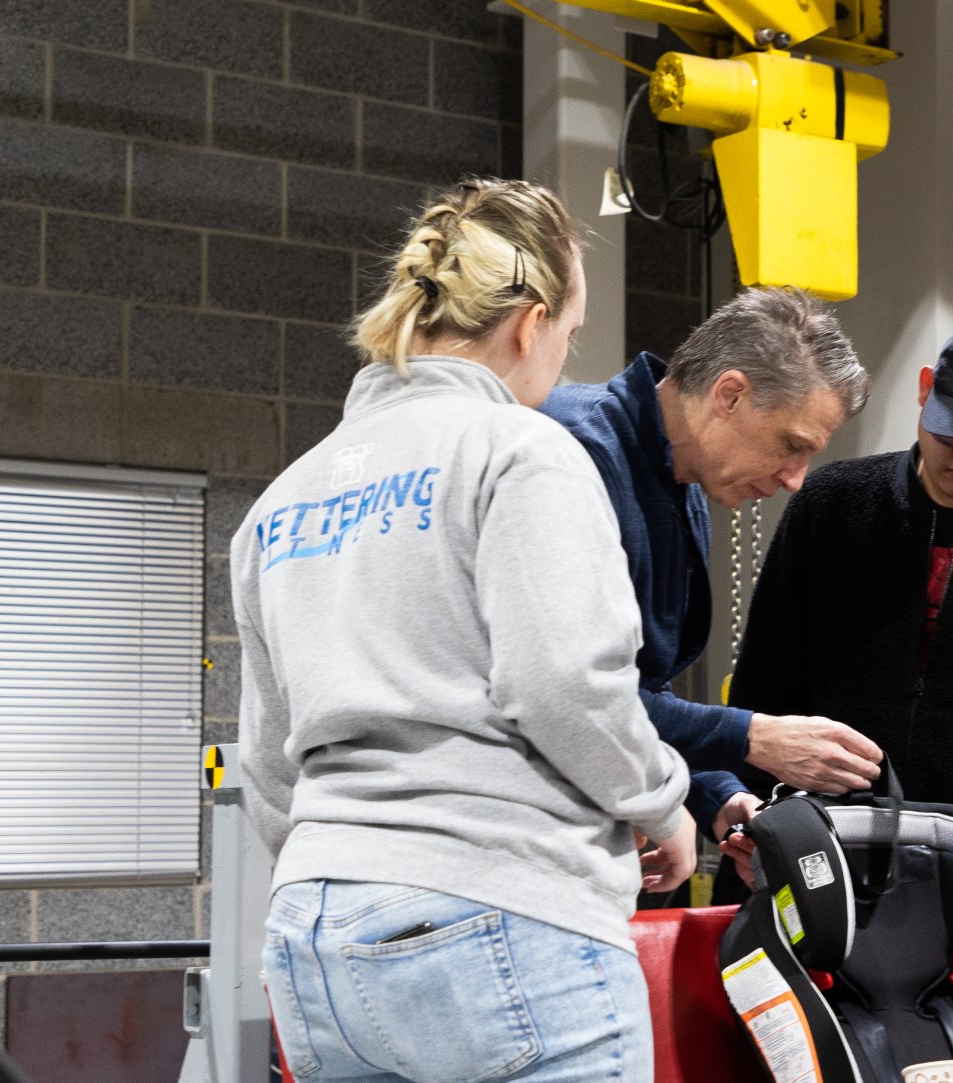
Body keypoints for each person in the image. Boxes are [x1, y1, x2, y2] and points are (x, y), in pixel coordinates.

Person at [237, 178, 691, 1081]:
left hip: (316, 937)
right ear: (529, 324)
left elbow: (266, 763)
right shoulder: (520, 451)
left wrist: (365, 864)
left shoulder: (282, 499)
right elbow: (564, 685)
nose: (560, 365)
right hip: (504, 911)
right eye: (565, 340)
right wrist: (661, 803)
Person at [541, 288, 885, 863]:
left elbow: (641, 684)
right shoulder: (573, 452)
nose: (796, 478)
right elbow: (569, 689)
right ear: (730, 394)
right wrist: (752, 738)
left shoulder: (685, 479)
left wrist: (714, 796)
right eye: (791, 446)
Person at [729, 317, 953, 835]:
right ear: (925, 391)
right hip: (827, 816)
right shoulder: (833, 502)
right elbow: (765, 678)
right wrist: (747, 802)